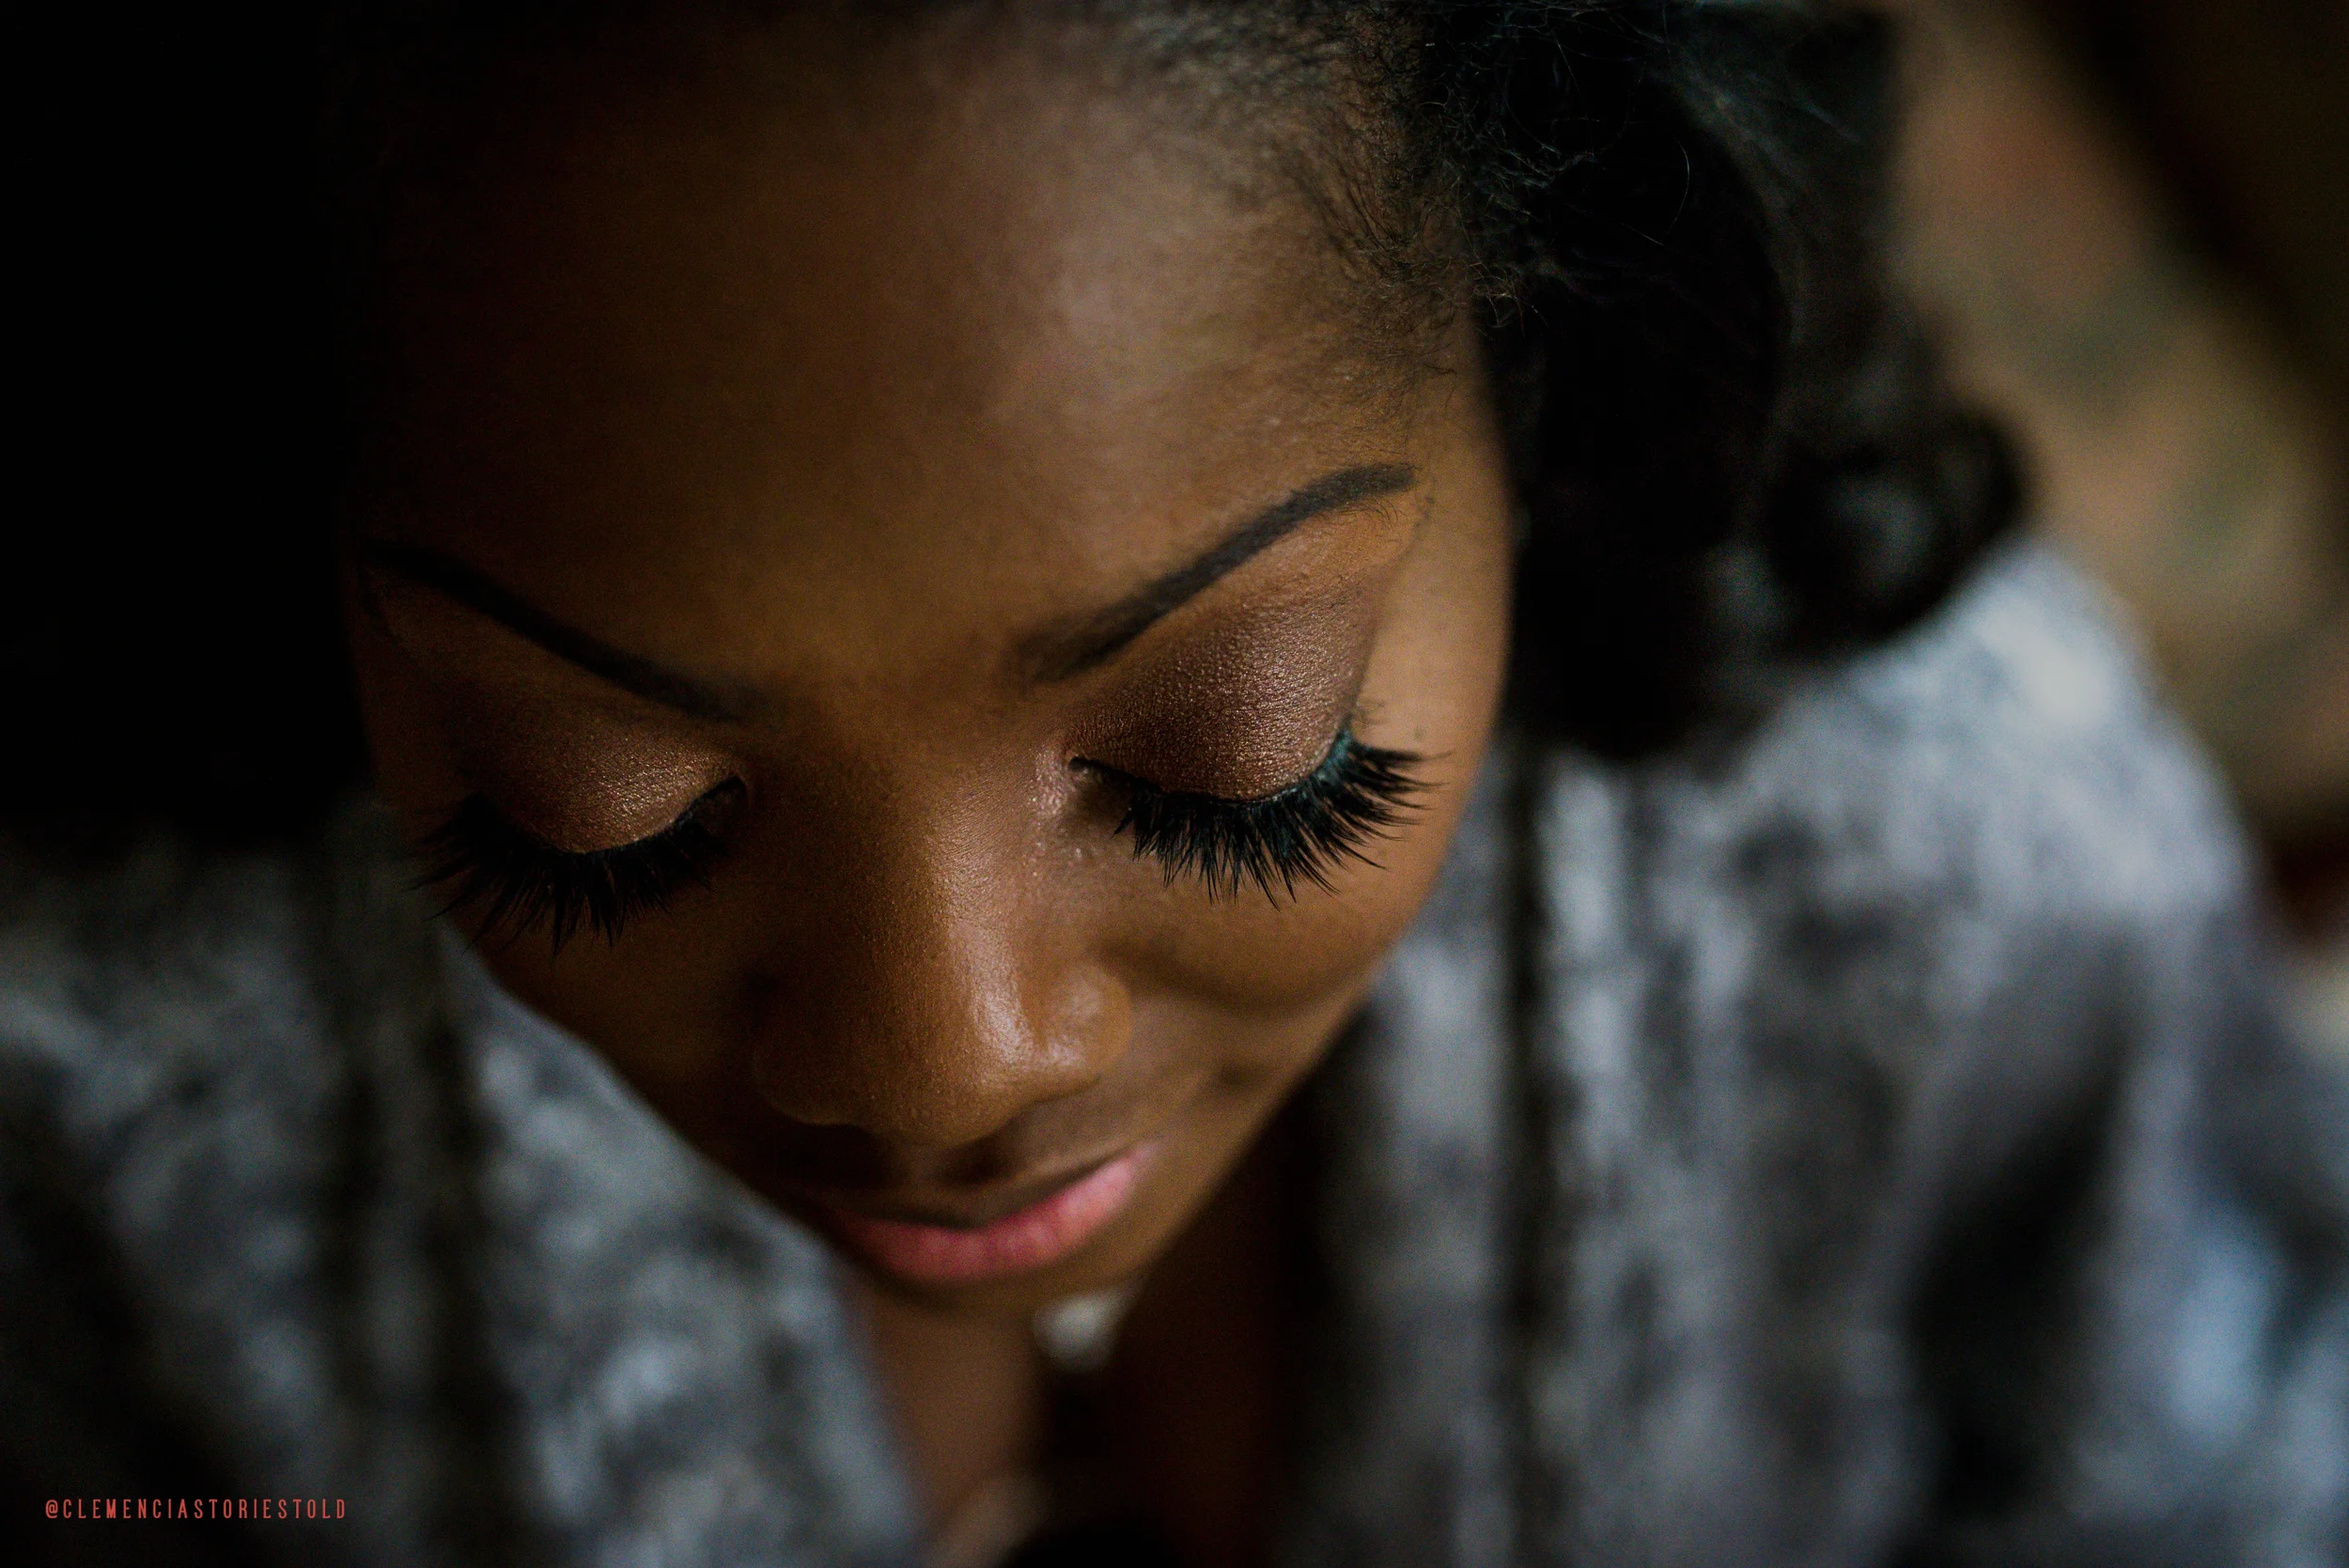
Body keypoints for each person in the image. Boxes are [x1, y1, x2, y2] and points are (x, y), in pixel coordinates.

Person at [4, 2, 2343, 1565]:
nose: (950, 1062)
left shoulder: (1945, 870)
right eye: (596, 806)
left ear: (1536, 358)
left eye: (1233, 760)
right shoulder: (97, 1089)